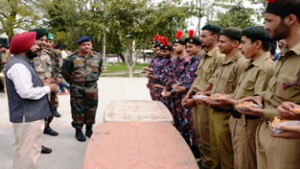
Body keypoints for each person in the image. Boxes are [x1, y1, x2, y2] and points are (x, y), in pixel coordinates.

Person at [236, 0, 300, 168]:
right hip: (266, 131)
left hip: (287, 139)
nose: (265, 27)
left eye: (269, 21)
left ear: (290, 19)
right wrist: (259, 97)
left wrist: (261, 111)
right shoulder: (286, 54)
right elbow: (279, 91)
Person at [212, 26, 275, 169]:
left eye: (243, 43)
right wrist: (226, 96)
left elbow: (257, 102)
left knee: (246, 163)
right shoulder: (250, 64)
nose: (240, 47)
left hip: (248, 124)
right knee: (238, 161)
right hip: (238, 122)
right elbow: (241, 95)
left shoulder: (266, 68)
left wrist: (229, 100)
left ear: (257, 44)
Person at [5, 32, 56, 169]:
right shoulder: (19, 66)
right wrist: (48, 89)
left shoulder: (21, 63)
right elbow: (26, 92)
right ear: (24, 47)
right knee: (28, 154)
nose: (37, 46)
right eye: (33, 44)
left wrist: (43, 85)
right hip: (28, 119)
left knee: (21, 152)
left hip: (27, 117)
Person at [183, 24, 225, 169]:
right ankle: (205, 161)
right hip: (197, 101)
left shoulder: (219, 57)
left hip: (205, 102)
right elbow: (198, 79)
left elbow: (214, 83)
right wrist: (189, 94)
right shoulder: (205, 56)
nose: (201, 39)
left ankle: (211, 164)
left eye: (204, 36)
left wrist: (195, 98)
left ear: (215, 37)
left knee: (208, 138)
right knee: (199, 136)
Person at [61, 36, 103, 142]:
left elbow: (99, 70)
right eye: (84, 45)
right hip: (77, 87)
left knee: (91, 108)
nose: (86, 46)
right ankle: (78, 130)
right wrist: (73, 82)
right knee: (77, 109)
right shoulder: (72, 58)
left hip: (92, 87)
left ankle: (89, 128)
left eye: (88, 44)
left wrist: (92, 79)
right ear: (79, 46)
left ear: (91, 45)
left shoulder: (97, 57)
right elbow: (65, 72)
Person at [30, 29, 60, 150]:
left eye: (45, 40)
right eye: (40, 39)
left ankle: (38, 143)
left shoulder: (45, 54)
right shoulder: (28, 54)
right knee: (33, 121)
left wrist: (51, 81)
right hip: (33, 92)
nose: (43, 42)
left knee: (41, 119)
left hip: (45, 91)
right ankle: (35, 145)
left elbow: (48, 71)